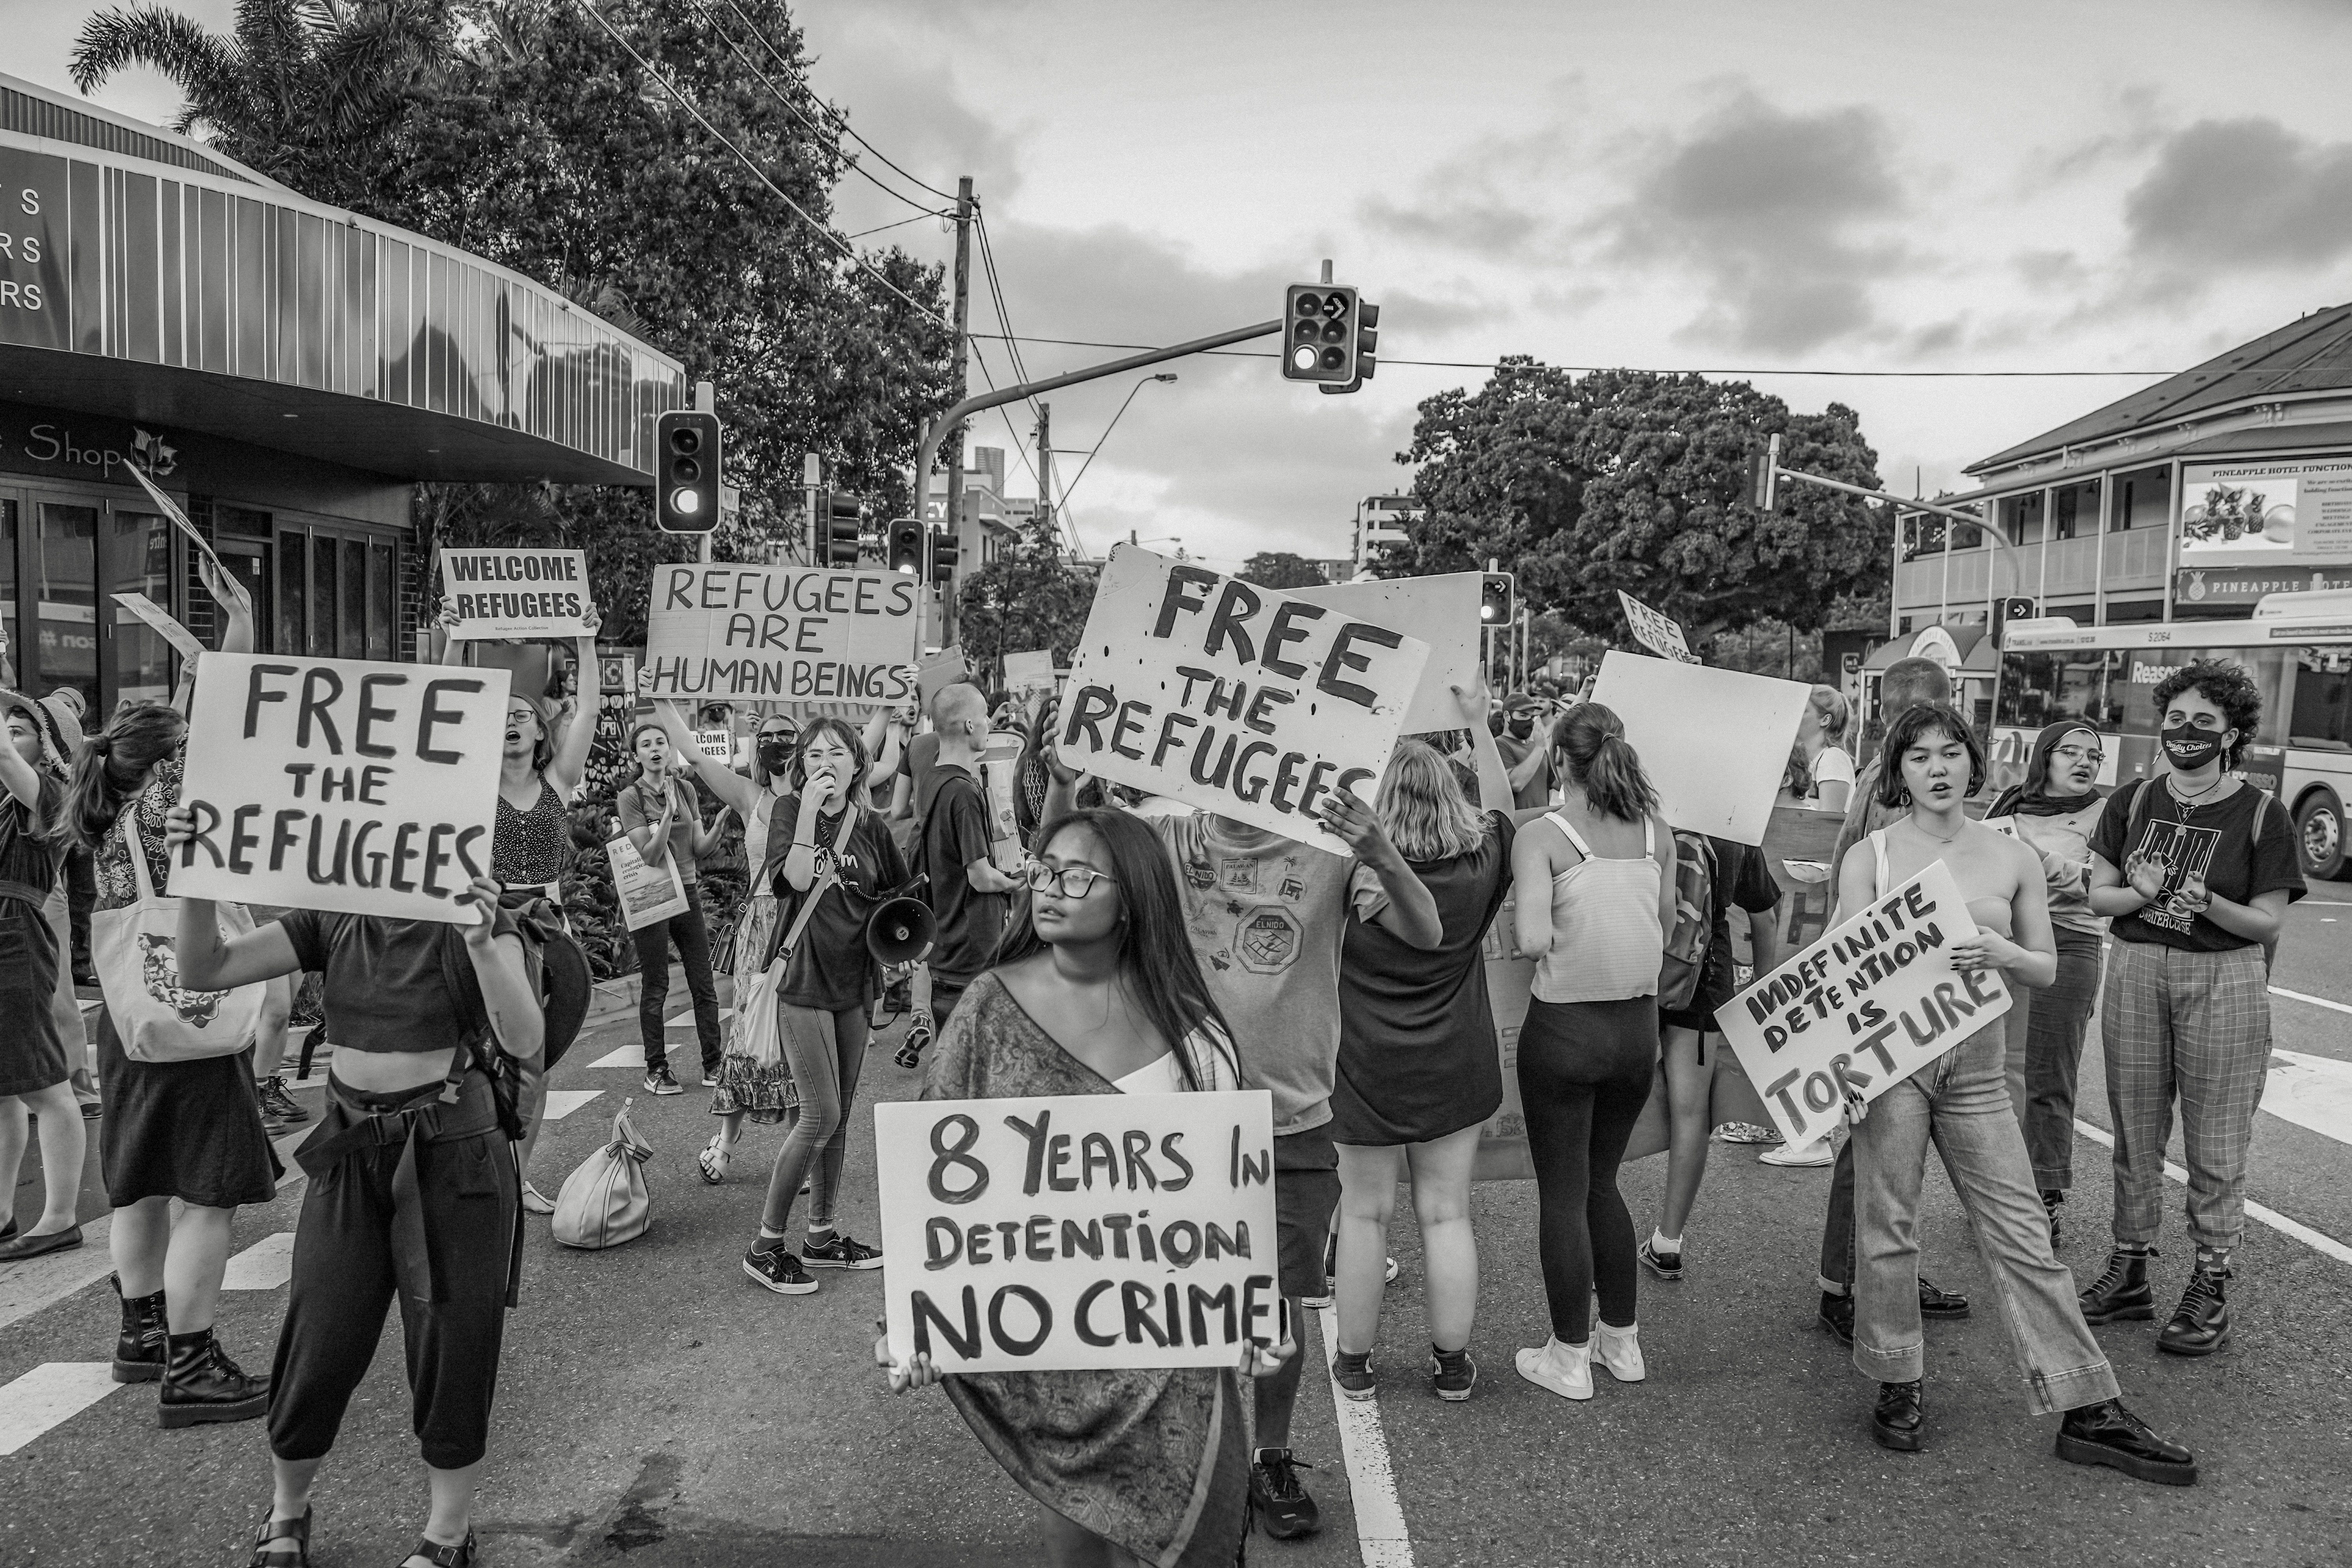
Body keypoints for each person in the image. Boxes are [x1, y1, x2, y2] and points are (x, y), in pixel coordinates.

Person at [1040, 709, 1442, 1542]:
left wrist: (1380, 848)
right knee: (1177, 1303)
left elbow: (1426, 930)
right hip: (1175, 1121)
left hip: (1291, 1121)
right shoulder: (1165, 835)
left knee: (1278, 1309)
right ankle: (1182, 1454)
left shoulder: (1330, 848)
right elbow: (1050, 883)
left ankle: (1269, 1453)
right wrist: (1061, 791)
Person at [884, 807, 1293, 1567]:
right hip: (1057, 1361)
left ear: (1131, 898)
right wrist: (922, 1319)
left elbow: (1226, 1209)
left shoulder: (1196, 1041)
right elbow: (938, 1186)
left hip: (1173, 1362)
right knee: (1076, 1547)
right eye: (1043, 869)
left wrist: (1256, 1310)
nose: (1051, 886)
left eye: (1078, 874)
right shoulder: (987, 1011)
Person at [167, 814, 542, 1568]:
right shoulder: (332, 914)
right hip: (348, 1157)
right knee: (320, 1335)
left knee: (452, 1343)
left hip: (455, 1157)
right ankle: (287, 1509)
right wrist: (196, 882)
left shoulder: (479, 915)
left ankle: (447, 1531)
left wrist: (479, 941)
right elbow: (204, 968)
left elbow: (526, 1040)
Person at [1836, 703, 2194, 1483]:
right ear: (1898, 771)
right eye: (1920, 755)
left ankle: (2088, 1403)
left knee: (2023, 1229)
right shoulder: (1872, 856)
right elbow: (1838, 972)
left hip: (1978, 1063)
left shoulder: (2011, 855)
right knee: (1889, 1225)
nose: (1937, 767)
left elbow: (2047, 964)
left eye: (1951, 752)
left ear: (1975, 763)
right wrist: (1845, 1073)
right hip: (1895, 1060)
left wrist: (2002, 949)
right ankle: (1899, 1379)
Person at [2080, 659, 2303, 1356]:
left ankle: (2211, 1281)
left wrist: (2209, 902)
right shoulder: (2133, 800)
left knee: (2216, 1139)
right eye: (2176, 719)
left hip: (2224, 976)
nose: (2186, 732)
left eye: (2205, 722)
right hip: (2139, 965)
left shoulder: (2263, 815)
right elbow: (2099, 896)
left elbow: (2267, 924)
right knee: (2135, 1129)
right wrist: (2144, 895)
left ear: (2233, 734)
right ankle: (2130, 1268)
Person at [1329, 697, 1514, 1405]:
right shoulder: (1483, 862)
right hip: (1455, 1063)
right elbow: (1503, 805)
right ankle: (1452, 1362)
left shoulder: (1350, 877)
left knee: (1365, 1213)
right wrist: (1478, 725)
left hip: (1363, 1065)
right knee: (1447, 1212)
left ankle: (1355, 1361)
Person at [1508, 702, 1676, 1402]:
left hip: (1565, 1032)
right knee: (1604, 1182)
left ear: (1558, 758)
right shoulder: (1655, 833)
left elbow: (1532, 940)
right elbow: (1664, 927)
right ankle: (1622, 1341)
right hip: (1637, 1033)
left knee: (1565, 1192)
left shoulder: (1543, 835)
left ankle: (1569, 1355)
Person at [1811, 657, 1970, 1328]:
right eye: (1942, 704)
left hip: (1887, 977)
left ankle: (1875, 1274)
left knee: (1887, 1143)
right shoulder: (1891, 787)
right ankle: (1850, 1288)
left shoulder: (1879, 773)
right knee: (1876, 1140)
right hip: (1893, 982)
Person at [738, 719, 906, 1295]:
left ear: (858, 765)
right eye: (814, 755)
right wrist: (809, 808)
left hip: (854, 986)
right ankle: (765, 1246)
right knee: (819, 1115)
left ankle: (822, 1234)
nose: (824, 761)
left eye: (837, 752)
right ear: (803, 767)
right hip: (803, 982)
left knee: (842, 1115)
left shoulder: (872, 828)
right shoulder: (789, 812)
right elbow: (792, 875)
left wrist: (903, 950)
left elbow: (899, 899)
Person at [453, 606, 602, 1213]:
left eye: (523, 716)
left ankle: (516, 1178)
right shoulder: (471, 783)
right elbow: (443, 707)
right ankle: (470, 1172)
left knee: (533, 1068)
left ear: (541, 731)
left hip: (546, 934)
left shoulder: (558, 782)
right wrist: (457, 638)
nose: (512, 723)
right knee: (475, 1061)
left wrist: (586, 643)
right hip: (488, 932)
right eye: (502, 717)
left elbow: (588, 710)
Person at [644, 701, 800, 1185]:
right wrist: (661, 701)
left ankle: (804, 1148)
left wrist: (887, 702)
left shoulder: (827, 796)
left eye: (787, 735)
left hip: (809, 928)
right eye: (769, 735)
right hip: (761, 931)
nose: (778, 743)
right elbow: (692, 752)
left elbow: (866, 759)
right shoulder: (749, 795)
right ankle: (728, 1141)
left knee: (802, 1039)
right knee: (749, 1040)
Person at [1984, 720, 2110, 1243]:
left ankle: (2044, 1198)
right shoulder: (2008, 805)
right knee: (1994, 1075)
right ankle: (1999, 1191)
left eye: (2094, 756)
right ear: (2045, 759)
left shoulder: (2109, 814)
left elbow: (2101, 887)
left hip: (2069, 942)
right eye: (2071, 752)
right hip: (2003, 941)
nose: (2084, 763)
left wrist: (2039, 862)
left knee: (2049, 1076)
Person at [1642, 831, 1782, 1281]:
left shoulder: (1638, 804)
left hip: (1629, 971)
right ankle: (1668, 1241)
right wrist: (1765, 997)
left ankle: (1593, 1242)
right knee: (1691, 1113)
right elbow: (1765, 916)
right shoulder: (1733, 822)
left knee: (1608, 1108)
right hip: (1702, 976)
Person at [0, 690, 85, 1263]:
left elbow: (5, 762)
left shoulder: (50, 795)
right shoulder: (9, 801)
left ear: (48, 749)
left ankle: (60, 1217)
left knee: (45, 1087)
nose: (9, 739)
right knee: (2, 1091)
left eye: (20, 730)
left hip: (15, 939)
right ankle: (3, 1213)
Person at [616, 719, 726, 1096]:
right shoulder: (631, 797)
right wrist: (665, 817)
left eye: (661, 742)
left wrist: (718, 827)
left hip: (689, 892)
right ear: (637, 755)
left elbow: (698, 848)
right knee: (657, 984)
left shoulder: (685, 788)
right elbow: (648, 855)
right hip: (654, 896)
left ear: (670, 749)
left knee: (703, 982)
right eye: (646, 744)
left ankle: (714, 1063)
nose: (655, 749)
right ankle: (657, 1069)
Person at [920, 685, 1022, 1035]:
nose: (989, 723)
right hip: (972, 951)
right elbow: (980, 876)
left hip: (946, 942)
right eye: (984, 716)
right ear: (968, 725)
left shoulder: (933, 778)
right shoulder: (963, 790)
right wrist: (1015, 884)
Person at [1800, 684, 1856, 812]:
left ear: (1825, 720)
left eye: (1804, 710)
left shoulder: (1833, 758)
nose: (1796, 714)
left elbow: (1829, 817)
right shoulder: (1804, 759)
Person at [1494, 693, 1554, 809]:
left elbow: (1557, 783)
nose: (1529, 721)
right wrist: (1540, 748)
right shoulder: (1499, 744)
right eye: (1523, 715)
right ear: (1507, 716)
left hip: (1540, 822)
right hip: (1517, 824)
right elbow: (1516, 784)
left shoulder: (1536, 747)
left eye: (1532, 717)